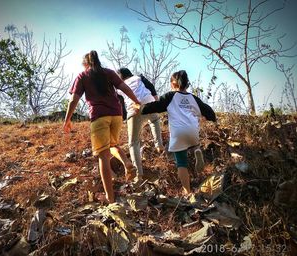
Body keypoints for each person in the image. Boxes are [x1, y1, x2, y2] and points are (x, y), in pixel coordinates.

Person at [63, 51, 140, 204]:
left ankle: (110, 198)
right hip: (117, 115)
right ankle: (127, 163)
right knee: (113, 145)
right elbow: (124, 87)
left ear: (86, 64)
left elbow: (74, 99)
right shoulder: (109, 73)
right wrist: (136, 101)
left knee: (103, 157)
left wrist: (67, 119)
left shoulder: (83, 76)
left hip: (99, 117)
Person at [141, 70, 216, 195]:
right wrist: (212, 118)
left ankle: (187, 191)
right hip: (193, 131)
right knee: (192, 142)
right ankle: (196, 148)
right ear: (186, 84)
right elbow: (209, 111)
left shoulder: (170, 96)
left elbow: (156, 106)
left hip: (178, 133)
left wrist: (141, 108)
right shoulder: (194, 98)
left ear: (173, 83)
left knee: (181, 163)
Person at [117, 68, 164, 180]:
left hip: (134, 109)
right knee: (155, 120)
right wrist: (156, 102)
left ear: (121, 77)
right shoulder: (139, 77)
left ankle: (139, 174)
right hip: (149, 102)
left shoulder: (119, 87)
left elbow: (120, 104)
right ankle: (159, 145)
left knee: (133, 143)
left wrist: (124, 118)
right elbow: (151, 87)